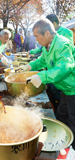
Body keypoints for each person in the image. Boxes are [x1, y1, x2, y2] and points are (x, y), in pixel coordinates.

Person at [18, 19, 75, 149]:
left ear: (47, 33)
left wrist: (42, 76)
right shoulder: (47, 46)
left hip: (73, 88)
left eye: (37, 36)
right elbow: (42, 61)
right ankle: (61, 144)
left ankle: (71, 149)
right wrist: (28, 66)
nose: (36, 40)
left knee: (73, 120)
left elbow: (65, 67)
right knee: (61, 115)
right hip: (65, 88)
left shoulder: (61, 44)